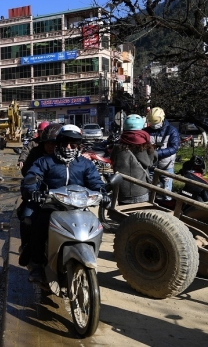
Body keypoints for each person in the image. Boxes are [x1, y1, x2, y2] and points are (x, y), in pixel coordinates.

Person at [19, 124, 107, 282]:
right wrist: (34, 190)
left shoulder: (85, 164)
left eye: (73, 144)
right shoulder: (45, 161)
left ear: (78, 145)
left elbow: (95, 182)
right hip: (51, 205)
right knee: (38, 226)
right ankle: (37, 264)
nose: (68, 147)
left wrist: (103, 192)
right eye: (65, 143)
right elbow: (32, 176)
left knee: (96, 226)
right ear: (58, 143)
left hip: (78, 207)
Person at [110, 114, 158, 205]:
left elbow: (112, 160)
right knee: (141, 218)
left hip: (123, 192)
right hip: (142, 190)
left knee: (124, 218)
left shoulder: (117, 147)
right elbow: (152, 161)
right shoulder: (146, 146)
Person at [144, 107, 180, 200]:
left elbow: (174, 148)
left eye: (155, 123)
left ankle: (166, 210)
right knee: (147, 191)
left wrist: (157, 153)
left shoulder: (171, 131)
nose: (153, 125)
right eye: (151, 123)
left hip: (166, 166)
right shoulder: (146, 131)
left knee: (166, 192)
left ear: (162, 119)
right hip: (150, 166)